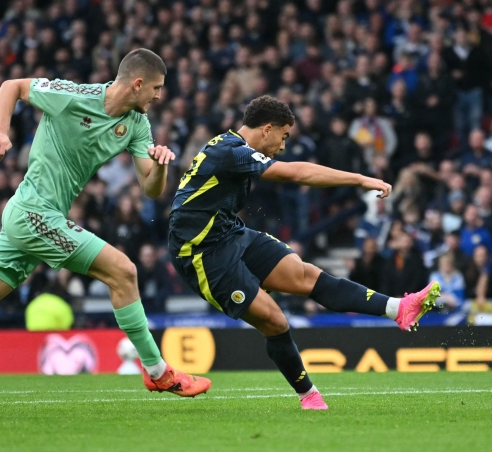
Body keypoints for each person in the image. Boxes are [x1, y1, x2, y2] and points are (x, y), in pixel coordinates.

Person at [0, 49, 210, 397]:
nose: (159, 96)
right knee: (123, 270)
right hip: (33, 212)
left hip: (36, 217)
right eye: (156, 88)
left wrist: (161, 165)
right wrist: (1, 131)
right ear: (137, 84)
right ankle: (157, 370)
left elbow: (150, 188)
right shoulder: (73, 96)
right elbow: (11, 86)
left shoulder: (137, 125)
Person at [168, 96, 440, 411]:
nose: (282, 146)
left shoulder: (230, 146)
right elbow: (298, 173)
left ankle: (399, 308)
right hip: (201, 252)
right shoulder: (231, 151)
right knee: (275, 321)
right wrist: (359, 179)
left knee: (304, 274)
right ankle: (308, 395)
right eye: (283, 137)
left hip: (229, 232)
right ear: (267, 130)